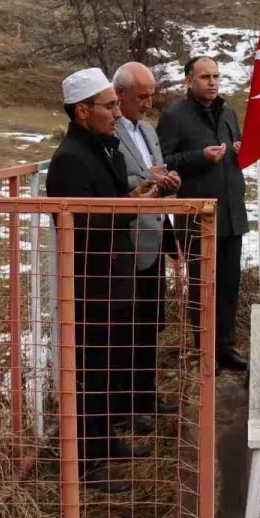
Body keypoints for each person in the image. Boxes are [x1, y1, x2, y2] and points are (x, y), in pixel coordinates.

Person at [45, 67, 163, 494]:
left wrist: (131, 200)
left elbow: (108, 204)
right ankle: (86, 461)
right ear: (82, 112)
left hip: (114, 280)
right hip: (91, 285)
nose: (118, 113)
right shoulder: (71, 160)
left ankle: (104, 441)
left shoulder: (103, 148)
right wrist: (127, 207)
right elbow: (81, 222)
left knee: (107, 367)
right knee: (89, 371)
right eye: (110, 105)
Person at [156, 56, 249, 372]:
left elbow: (237, 151)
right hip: (196, 216)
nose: (212, 82)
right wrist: (199, 157)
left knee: (228, 285)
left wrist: (240, 151)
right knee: (202, 286)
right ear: (188, 81)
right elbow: (163, 161)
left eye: (216, 76)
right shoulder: (174, 116)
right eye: (205, 77)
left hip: (232, 212)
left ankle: (225, 348)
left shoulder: (228, 113)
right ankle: (205, 350)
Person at [112, 61, 181, 432]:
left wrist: (169, 180)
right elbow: (119, 179)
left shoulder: (150, 132)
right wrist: (148, 179)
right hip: (127, 242)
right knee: (128, 328)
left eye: (151, 95)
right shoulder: (111, 132)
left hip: (153, 240)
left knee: (151, 323)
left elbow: (159, 171)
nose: (148, 103)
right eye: (141, 96)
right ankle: (126, 403)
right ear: (119, 94)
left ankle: (146, 393)